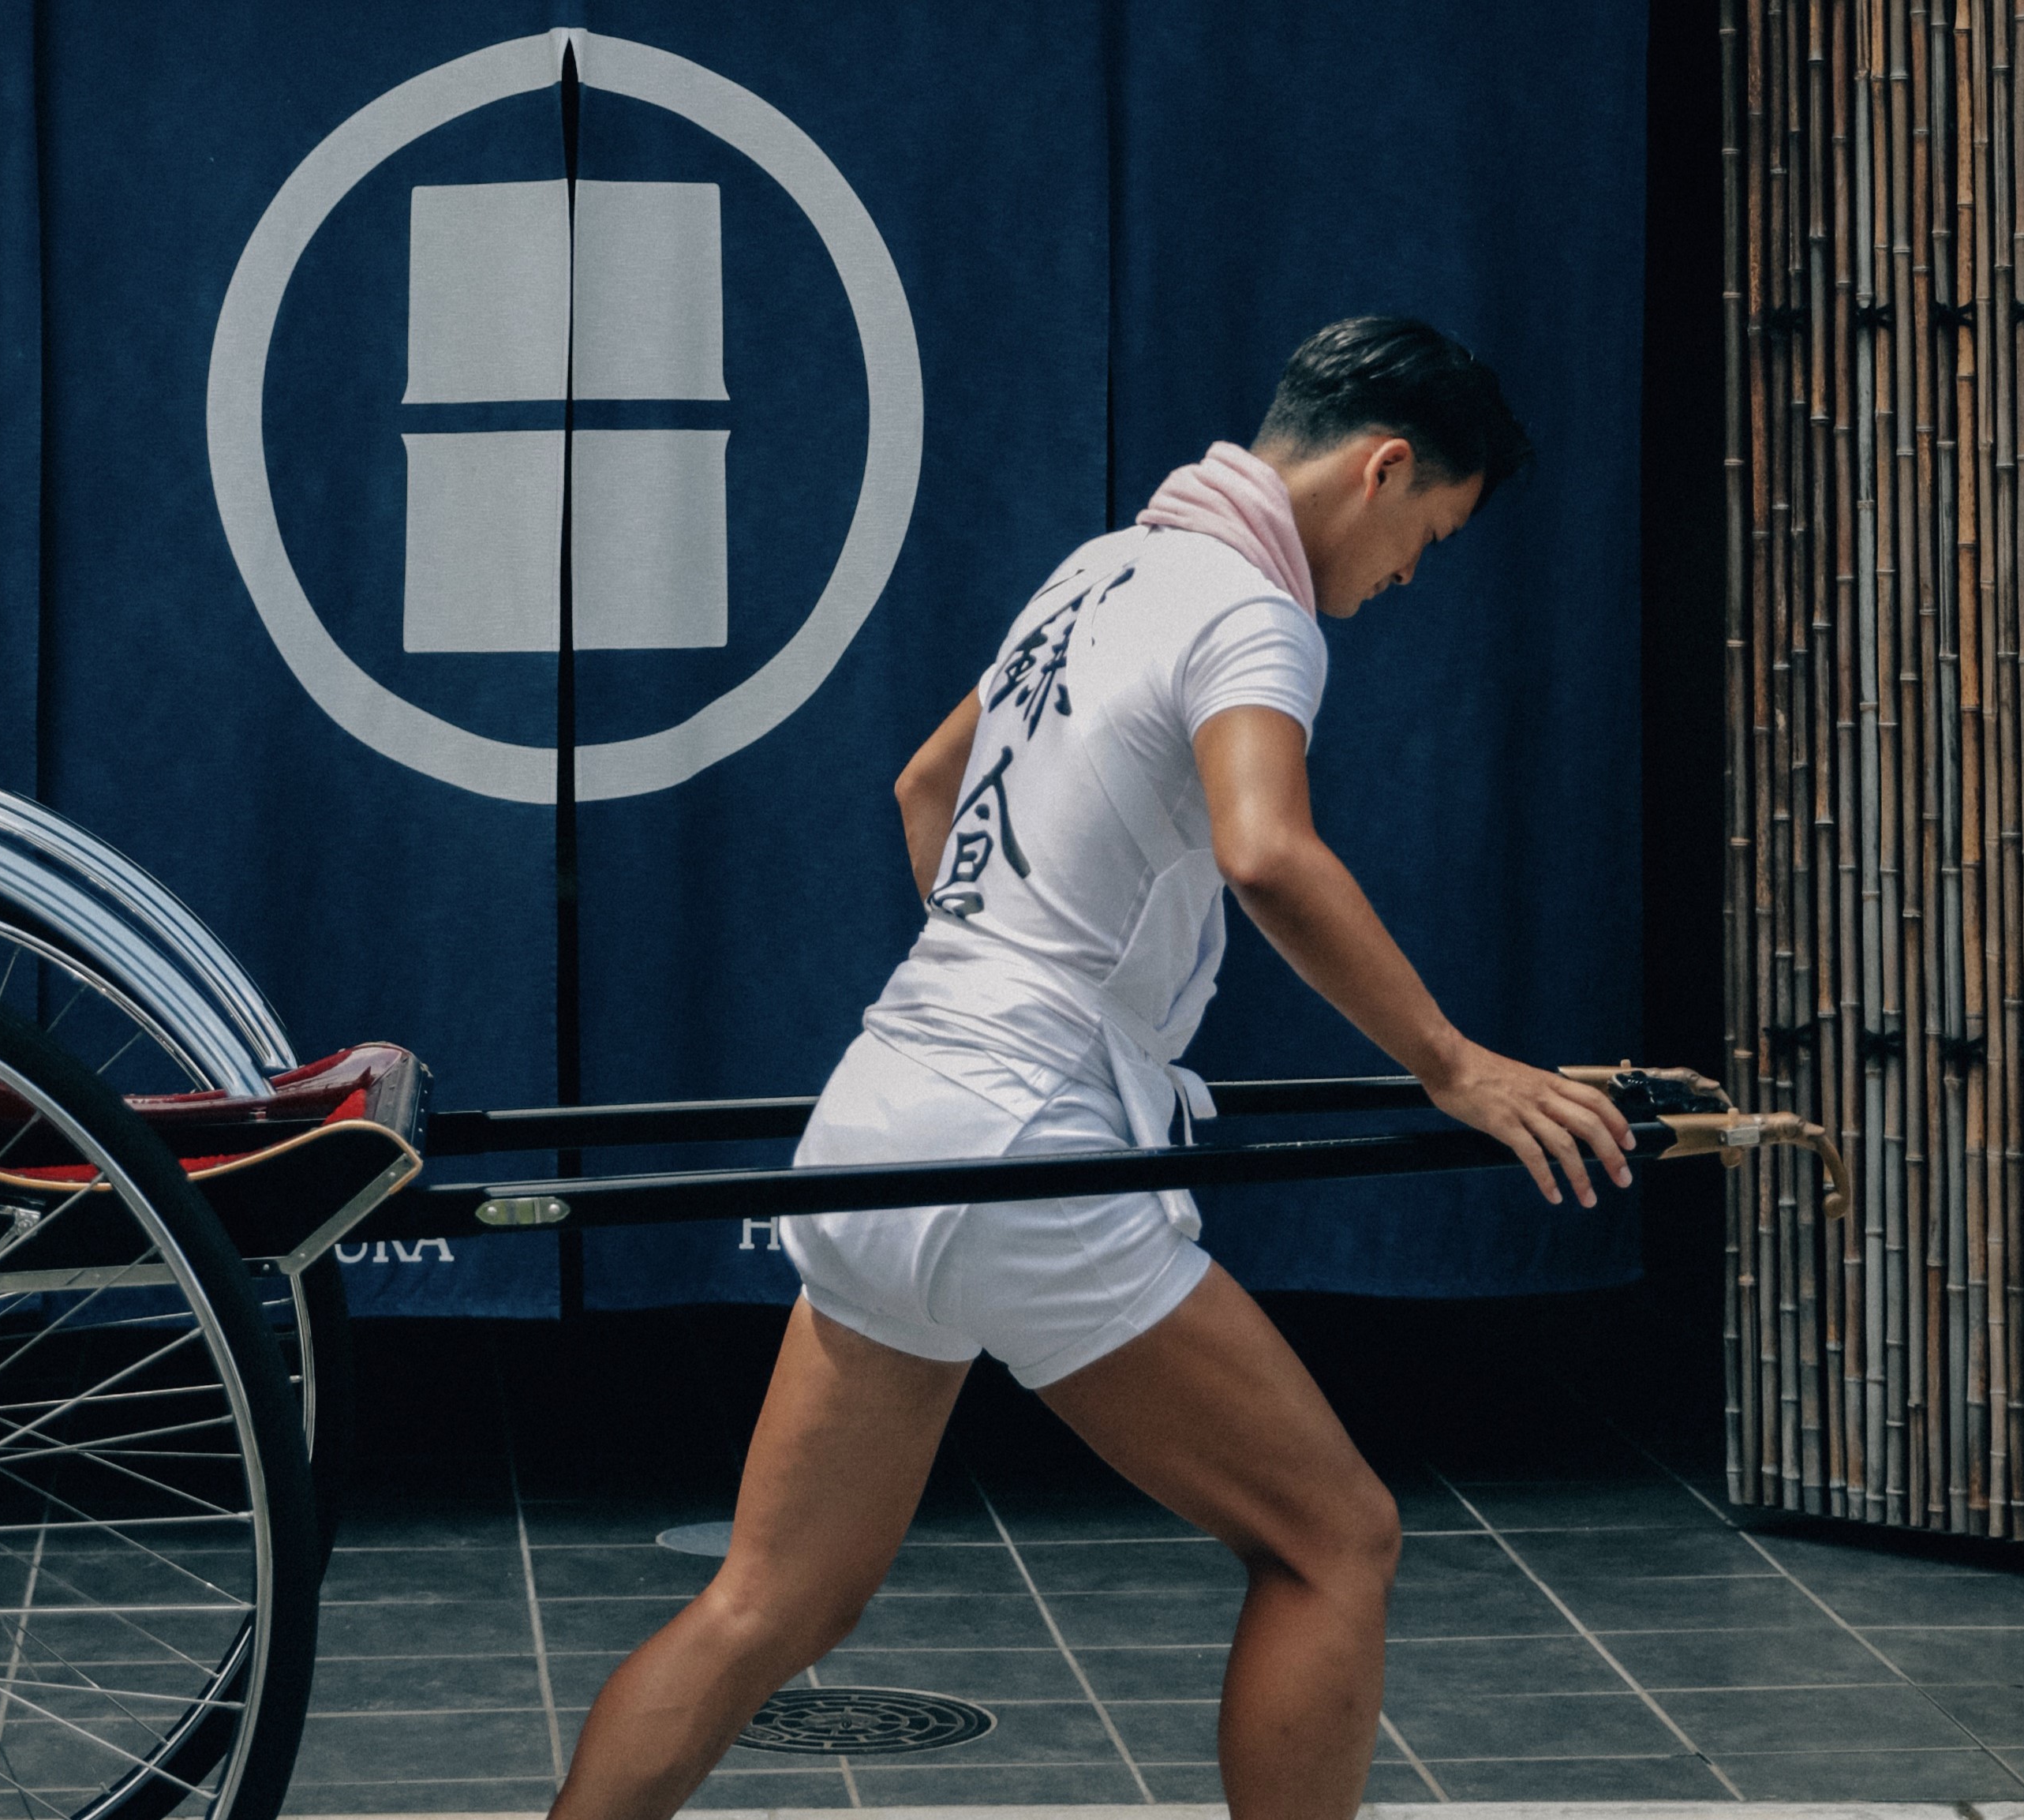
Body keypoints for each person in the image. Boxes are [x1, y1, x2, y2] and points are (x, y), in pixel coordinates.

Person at [543, 316, 1634, 1820]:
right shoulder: (1256, 612)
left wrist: (1011, 989)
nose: (1403, 584)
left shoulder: (1097, 568)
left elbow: (926, 786)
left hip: (883, 1103)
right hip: (1024, 1133)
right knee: (1337, 1539)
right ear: (1384, 468)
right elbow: (1265, 852)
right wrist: (1453, 1064)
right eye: (1427, 539)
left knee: (767, 1602)